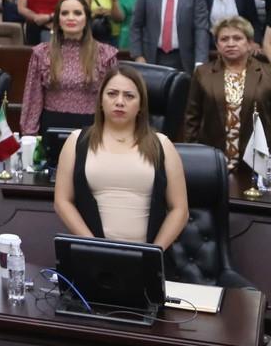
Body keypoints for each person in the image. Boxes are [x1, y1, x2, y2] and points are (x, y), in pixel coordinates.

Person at [53, 66, 189, 250]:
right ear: (101, 100)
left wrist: (154, 252)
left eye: (129, 96)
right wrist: (93, 245)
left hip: (148, 260)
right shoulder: (77, 142)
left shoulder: (162, 145)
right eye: (112, 94)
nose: (119, 101)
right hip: (91, 256)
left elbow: (180, 210)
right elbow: (62, 201)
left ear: (141, 105)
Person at [21, 0, 119, 134]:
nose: (71, 18)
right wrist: (29, 136)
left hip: (92, 128)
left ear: (86, 19)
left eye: (77, 13)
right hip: (51, 126)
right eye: (65, 13)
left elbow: (112, 99)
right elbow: (33, 99)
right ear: (58, 19)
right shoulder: (42, 53)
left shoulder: (106, 54)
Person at [184, 17, 271, 169]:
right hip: (212, 160)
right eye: (224, 39)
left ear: (250, 44)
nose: (231, 44)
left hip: (258, 162)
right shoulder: (203, 73)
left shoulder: (268, 74)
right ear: (217, 45)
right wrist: (192, 156)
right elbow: (192, 118)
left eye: (237, 38)